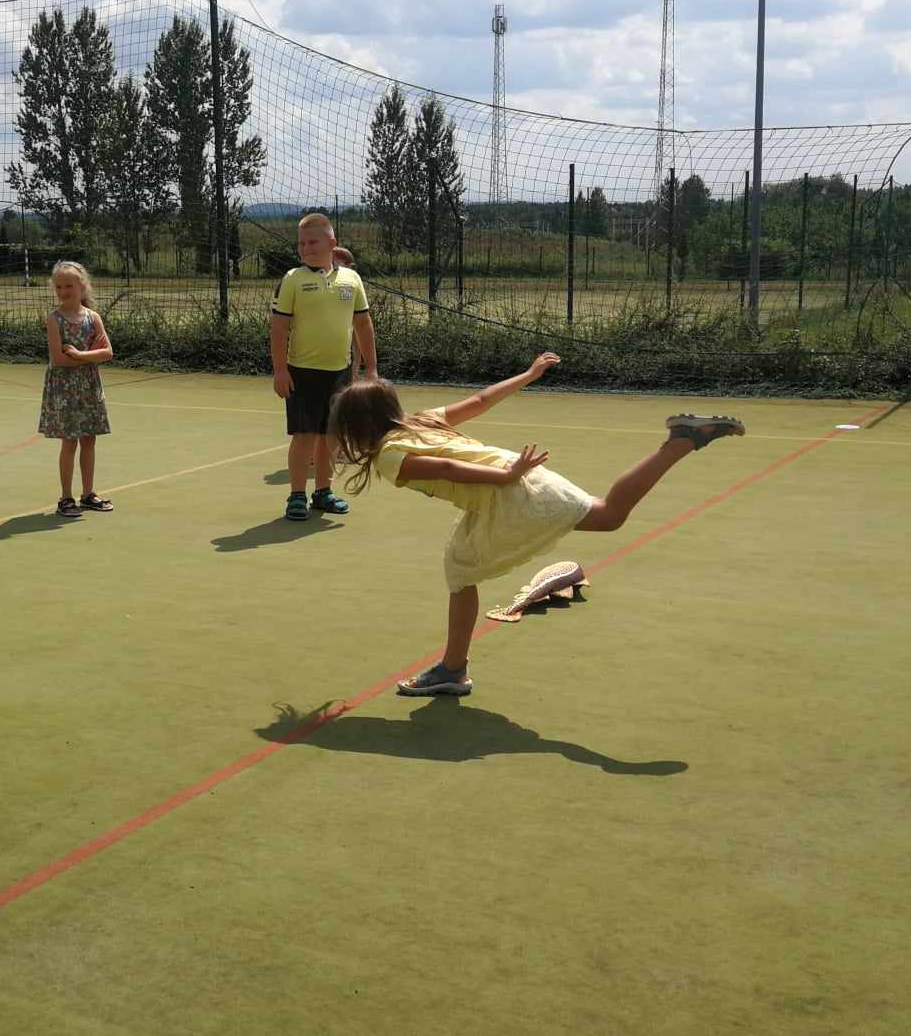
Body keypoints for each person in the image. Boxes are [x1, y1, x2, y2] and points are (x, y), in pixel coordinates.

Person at [328, 352, 743, 696]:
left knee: (608, 514)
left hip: (512, 492)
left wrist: (506, 478)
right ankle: (452, 670)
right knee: (460, 568)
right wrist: (527, 375)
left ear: (359, 426)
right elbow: (480, 401)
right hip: (509, 483)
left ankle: (680, 442)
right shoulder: (421, 421)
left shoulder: (388, 455)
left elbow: (448, 467)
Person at [271, 214, 377, 521]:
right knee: (303, 435)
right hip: (301, 372)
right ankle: (296, 496)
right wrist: (280, 370)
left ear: (332, 243)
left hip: (340, 373)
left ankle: (323, 492)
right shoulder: (292, 279)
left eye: (313, 242)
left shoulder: (352, 280)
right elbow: (279, 329)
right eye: (301, 243)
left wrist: (371, 370)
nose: (306, 248)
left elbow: (363, 324)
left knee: (330, 437)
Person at [39, 260, 115, 518]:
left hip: (89, 387)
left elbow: (107, 352)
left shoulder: (93, 318)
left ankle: (88, 495)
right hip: (64, 389)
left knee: (89, 441)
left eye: (68, 285)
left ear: (81, 286)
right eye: (59, 286)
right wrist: (89, 355)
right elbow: (58, 359)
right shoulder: (54, 319)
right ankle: (66, 498)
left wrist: (80, 354)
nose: (63, 291)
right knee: (69, 443)